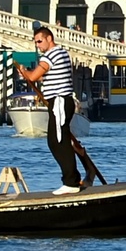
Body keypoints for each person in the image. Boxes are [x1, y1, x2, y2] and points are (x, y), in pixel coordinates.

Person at [17, 26, 81, 195]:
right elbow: (46, 76)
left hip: (60, 102)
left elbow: (33, 77)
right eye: (36, 42)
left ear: (49, 39)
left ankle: (71, 182)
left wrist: (23, 71)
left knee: (59, 141)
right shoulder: (62, 53)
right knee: (55, 141)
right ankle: (72, 178)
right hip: (61, 102)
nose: (38, 45)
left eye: (39, 41)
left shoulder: (50, 55)